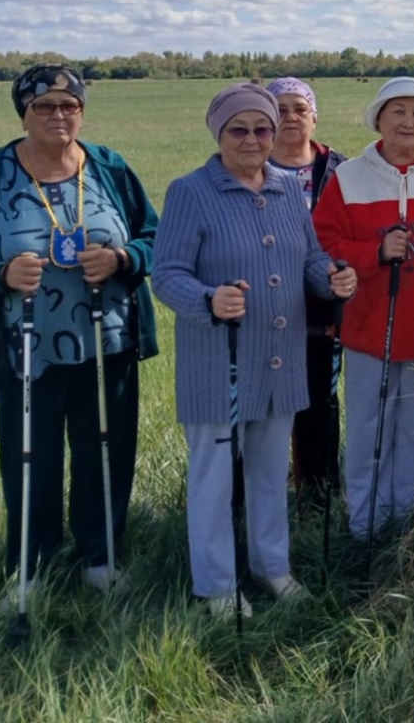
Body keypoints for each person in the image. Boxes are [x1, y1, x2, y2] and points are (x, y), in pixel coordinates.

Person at [0, 64, 158, 593]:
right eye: (44, 105)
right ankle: (32, 564)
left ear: (82, 111)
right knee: (29, 459)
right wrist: (1, 275)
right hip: (26, 349)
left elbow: (155, 237)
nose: (58, 114)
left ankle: (100, 558)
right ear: (24, 113)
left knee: (105, 452)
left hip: (107, 343)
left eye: (69, 105)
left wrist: (122, 259)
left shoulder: (110, 167)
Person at [153, 84, 356, 615]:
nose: (252, 139)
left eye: (262, 128)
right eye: (238, 129)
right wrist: (207, 299)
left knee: (268, 474)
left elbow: (309, 259)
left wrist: (331, 277)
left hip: (280, 359)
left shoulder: (288, 188)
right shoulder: (190, 191)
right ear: (218, 133)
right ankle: (217, 586)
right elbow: (167, 273)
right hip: (219, 361)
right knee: (215, 478)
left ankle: (272, 567)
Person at [313, 77, 414, 539]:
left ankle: (408, 528)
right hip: (369, 331)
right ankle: (365, 528)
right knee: (367, 433)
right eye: (398, 111)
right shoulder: (349, 178)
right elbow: (324, 243)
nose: (409, 122)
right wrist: (375, 252)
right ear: (379, 119)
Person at [265, 77, 348, 508]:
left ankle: (318, 490)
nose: (291, 117)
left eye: (300, 108)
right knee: (267, 401)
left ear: (314, 118)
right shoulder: (247, 166)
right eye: (280, 109)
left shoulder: (340, 169)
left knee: (320, 395)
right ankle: (262, 490)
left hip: (323, 306)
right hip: (264, 305)